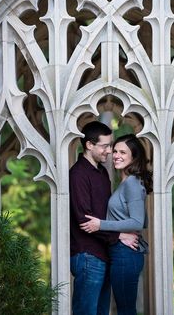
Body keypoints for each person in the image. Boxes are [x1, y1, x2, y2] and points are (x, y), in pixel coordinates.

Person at [70, 122, 139, 315]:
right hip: (87, 256)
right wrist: (119, 236)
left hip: (103, 254)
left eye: (110, 146)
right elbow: (84, 219)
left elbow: (105, 215)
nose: (109, 151)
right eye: (105, 146)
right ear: (89, 145)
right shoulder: (78, 174)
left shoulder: (102, 173)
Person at [80, 134, 153, 315]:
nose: (116, 156)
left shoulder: (132, 183)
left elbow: (138, 221)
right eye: (115, 151)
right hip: (120, 251)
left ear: (134, 157)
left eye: (123, 152)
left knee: (126, 310)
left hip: (125, 254)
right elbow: (141, 219)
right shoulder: (126, 182)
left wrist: (100, 224)